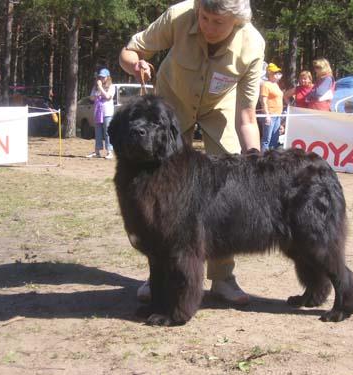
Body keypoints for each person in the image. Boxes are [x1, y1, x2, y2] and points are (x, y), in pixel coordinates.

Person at [119, 0, 265, 305]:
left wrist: (254, 158)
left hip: (219, 107)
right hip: (171, 108)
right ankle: (159, 274)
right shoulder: (178, 15)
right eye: (204, 17)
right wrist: (135, 63)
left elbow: (247, 116)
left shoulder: (252, 45)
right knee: (162, 197)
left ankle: (223, 278)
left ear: (236, 22)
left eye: (217, 22)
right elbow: (131, 50)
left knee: (225, 191)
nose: (208, 27)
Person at [86, 68, 115, 159]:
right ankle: (97, 151)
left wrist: (101, 88)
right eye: (100, 77)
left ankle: (109, 152)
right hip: (98, 112)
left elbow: (107, 97)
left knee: (107, 132)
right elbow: (91, 98)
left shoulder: (111, 86)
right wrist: (96, 94)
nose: (101, 78)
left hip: (107, 112)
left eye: (103, 77)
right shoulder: (96, 87)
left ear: (107, 77)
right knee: (97, 132)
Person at [260, 63, 284, 151]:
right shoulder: (265, 85)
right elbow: (263, 101)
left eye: (278, 72)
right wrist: (267, 115)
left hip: (277, 115)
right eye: (276, 72)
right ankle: (263, 158)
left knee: (275, 138)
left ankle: (272, 158)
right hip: (270, 115)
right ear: (270, 73)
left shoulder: (276, 85)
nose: (278, 74)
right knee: (267, 139)